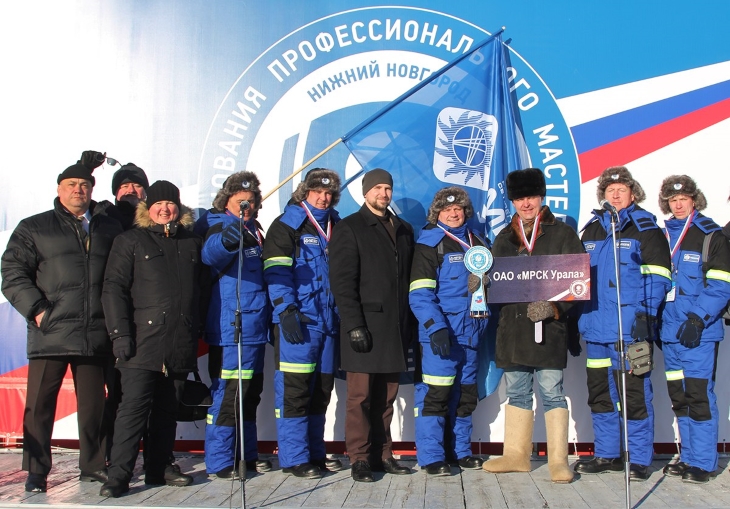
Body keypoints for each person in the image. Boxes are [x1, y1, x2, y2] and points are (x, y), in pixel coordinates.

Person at [1, 156, 123, 493]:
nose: (78, 190)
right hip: (50, 332)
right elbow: (12, 273)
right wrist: (39, 310)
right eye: (71, 185)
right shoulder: (34, 227)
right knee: (39, 406)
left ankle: (94, 466)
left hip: (95, 333)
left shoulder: (108, 227)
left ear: (91, 191)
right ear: (59, 189)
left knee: (94, 407)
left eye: (84, 185)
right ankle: (36, 471)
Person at [99, 181, 206, 497]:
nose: (165, 209)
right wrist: (119, 335)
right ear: (148, 208)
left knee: (166, 411)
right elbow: (113, 289)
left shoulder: (191, 244)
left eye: (170, 204)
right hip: (141, 342)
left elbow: (201, 290)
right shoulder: (130, 240)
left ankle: (159, 467)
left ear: (179, 208)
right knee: (132, 411)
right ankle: (118, 474)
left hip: (178, 342)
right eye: (158, 203)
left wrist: (194, 327)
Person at [481, 168, 583, 484]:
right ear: (512, 200)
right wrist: (481, 284)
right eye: (520, 198)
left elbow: (577, 281)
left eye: (531, 196)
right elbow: (497, 286)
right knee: (517, 392)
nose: (526, 203)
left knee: (552, 392)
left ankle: (558, 461)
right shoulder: (503, 237)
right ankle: (516, 455)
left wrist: (554, 308)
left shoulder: (563, 234)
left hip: (548, 331)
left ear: (541, 197)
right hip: (513, 332)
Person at [574, 166, 671, 481]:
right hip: (596, 329)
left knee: (635, 394)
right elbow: (576, 280)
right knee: (600, 394)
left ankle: (640, 458)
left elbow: (659, 277)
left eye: (621, 189)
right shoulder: (590, 230)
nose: (615, 195)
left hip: (631, 331)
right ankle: (608, 454)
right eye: (609, 190)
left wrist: (646, 315)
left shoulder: (645, 228)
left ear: (633, 193)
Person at [329, 168, 415, 483]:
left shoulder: (404, 228)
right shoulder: (350, 227)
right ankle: (360, 458)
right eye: (377, 187)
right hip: (363, 326)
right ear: (365, 192)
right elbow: (342, 282)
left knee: (387, 397)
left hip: (395, 327)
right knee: (360, 397)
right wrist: (353, 324)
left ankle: (382, 454)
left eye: (388, 188)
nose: (383, 193)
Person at [262, 168, 342, 479]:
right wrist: (285, 310)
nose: (323, 198)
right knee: (294, 392)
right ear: (304, 192)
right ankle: (295, 458)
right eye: (317, 192)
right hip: (299, 322)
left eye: (329, 193)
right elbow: (277, 272)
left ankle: (315, 452)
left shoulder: (338, 226)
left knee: (321, 392)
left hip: (328, 324)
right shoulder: (287, 226)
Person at [197, 171, 272, 478]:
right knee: (228, 395)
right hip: (232, 328)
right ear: (226, 199)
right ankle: (220, 461)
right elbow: (209, 253)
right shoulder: (219, 224)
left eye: (251, 199)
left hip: (256, 328)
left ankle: (247, 455)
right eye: (240, 199)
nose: (247, 203)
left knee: (250, 395)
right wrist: (229, 240)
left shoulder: (255, 228)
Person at [409, 187, 489, 476]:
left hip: (472, 334)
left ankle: (461, 451)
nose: (454, 213)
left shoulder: (478, 241)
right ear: (437, 213)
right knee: (435, 396)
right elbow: (419, 294)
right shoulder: (429, 244)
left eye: (458, 209)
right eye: (446, 210)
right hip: (440, 338)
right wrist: (435, 328)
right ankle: (431, 457)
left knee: (466, 396)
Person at [656, 176, 730, 483]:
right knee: (680, 397)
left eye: (683, 198)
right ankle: (688, 457)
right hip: (670, 333)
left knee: (699, 395)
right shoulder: (660, 236)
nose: (678, 204)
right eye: (672, 200)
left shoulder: (710, 235)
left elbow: (721, 286)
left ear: (694, 200)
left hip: (699, 332)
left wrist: (698, 319)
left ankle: (703, 461)